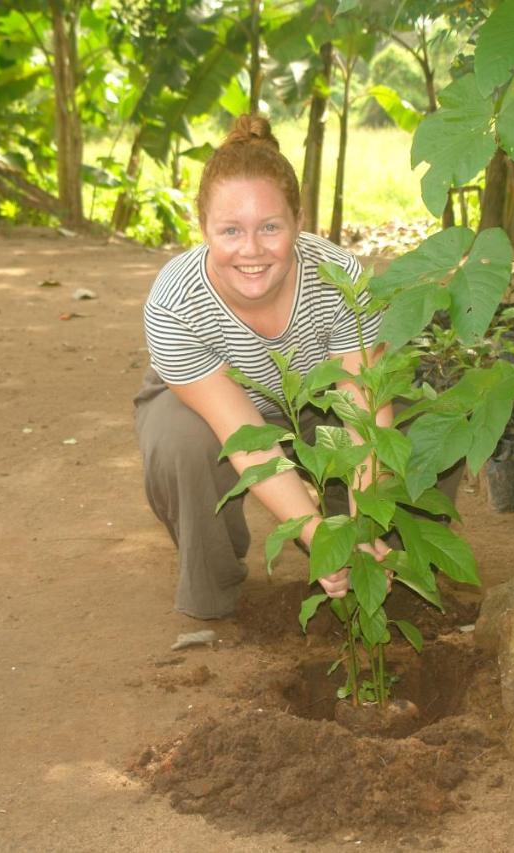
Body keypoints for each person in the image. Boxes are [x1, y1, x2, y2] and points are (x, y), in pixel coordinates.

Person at [134, 114, 391, 620]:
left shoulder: (343, 281)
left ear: (298, 221)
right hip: (223, 413)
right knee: (178, 441)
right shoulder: (173, 304)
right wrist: (317, 537)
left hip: (320, 405)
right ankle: (217, 579)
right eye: (230, 230)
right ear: (203, 227)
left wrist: (366, 529)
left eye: (270, 227)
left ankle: (373, 558)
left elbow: (365, 413)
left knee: (410, 418)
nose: (251, 250)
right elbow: (245, 436)